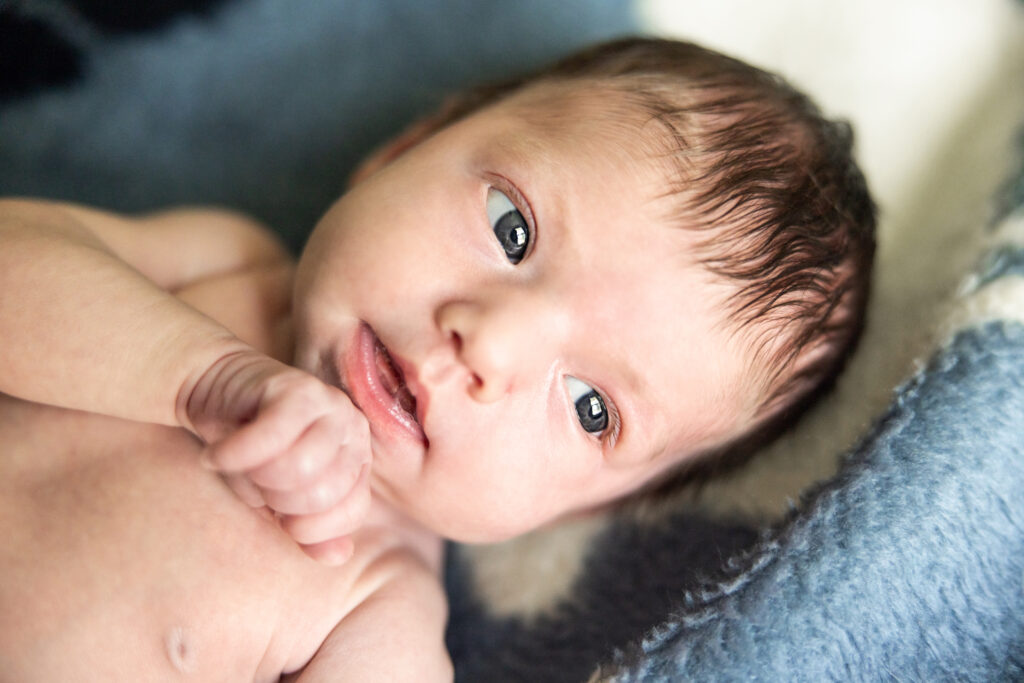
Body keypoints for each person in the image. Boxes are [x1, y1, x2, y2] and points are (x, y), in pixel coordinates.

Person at [0, 38, 875, 680]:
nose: (488, 342)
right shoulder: (219, 262)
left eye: (591, 407)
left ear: (579, 512)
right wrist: (196, 375)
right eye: (513, 228)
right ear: (405, 148)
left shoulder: (377, 616)